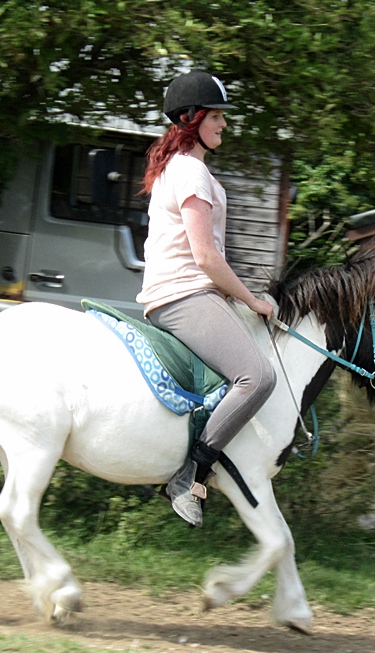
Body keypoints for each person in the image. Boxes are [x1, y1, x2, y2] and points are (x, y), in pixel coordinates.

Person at [137, 71, 277, 527]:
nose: (223, 124)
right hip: (185, 294)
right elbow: (206, 257)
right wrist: (252, 301)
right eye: (216, 116)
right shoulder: (191, 171)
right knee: (258, 377)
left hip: (184, 293)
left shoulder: (179, 168)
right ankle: (190, 475)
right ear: (191, 119)